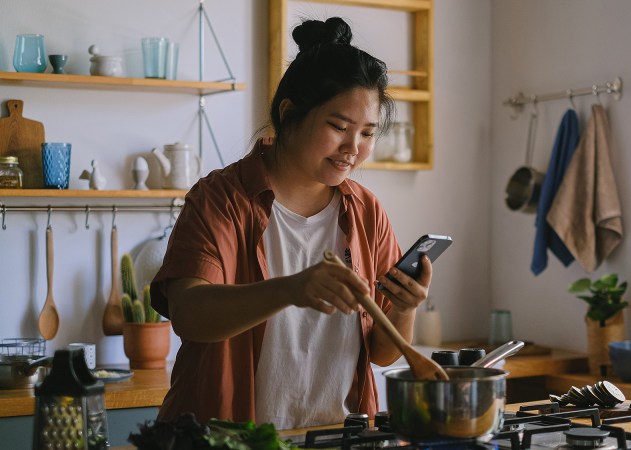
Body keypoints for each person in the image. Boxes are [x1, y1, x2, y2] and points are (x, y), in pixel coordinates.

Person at [150, 17, 434, 429]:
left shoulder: (365, 211)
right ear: (289, 114)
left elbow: (382, 353)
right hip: (228, 437)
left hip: (335, 434)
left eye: (368, 133)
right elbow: (189, 315)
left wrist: (405, 310)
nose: (353, 149)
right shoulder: (221, 199)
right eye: (338, 127)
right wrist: (293, 288)